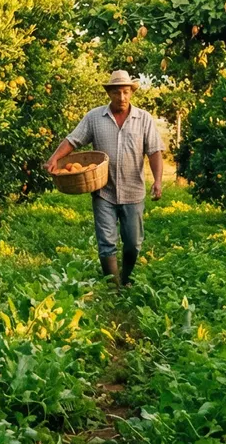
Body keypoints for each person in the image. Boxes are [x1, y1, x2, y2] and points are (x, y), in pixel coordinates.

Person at [47, 70, 164, 286]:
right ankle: (113, 287)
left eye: (126, 92)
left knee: (133, 244)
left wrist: (157, 181)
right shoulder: (94, 118)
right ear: (109, 93)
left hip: (133, 192)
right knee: (106, 242)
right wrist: (54, 158)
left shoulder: (143, 119)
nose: (122, 97)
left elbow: (155, 151)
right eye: (117, 92)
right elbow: (74, 140)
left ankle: (126, 280)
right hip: (104, 191)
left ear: (131, 93)